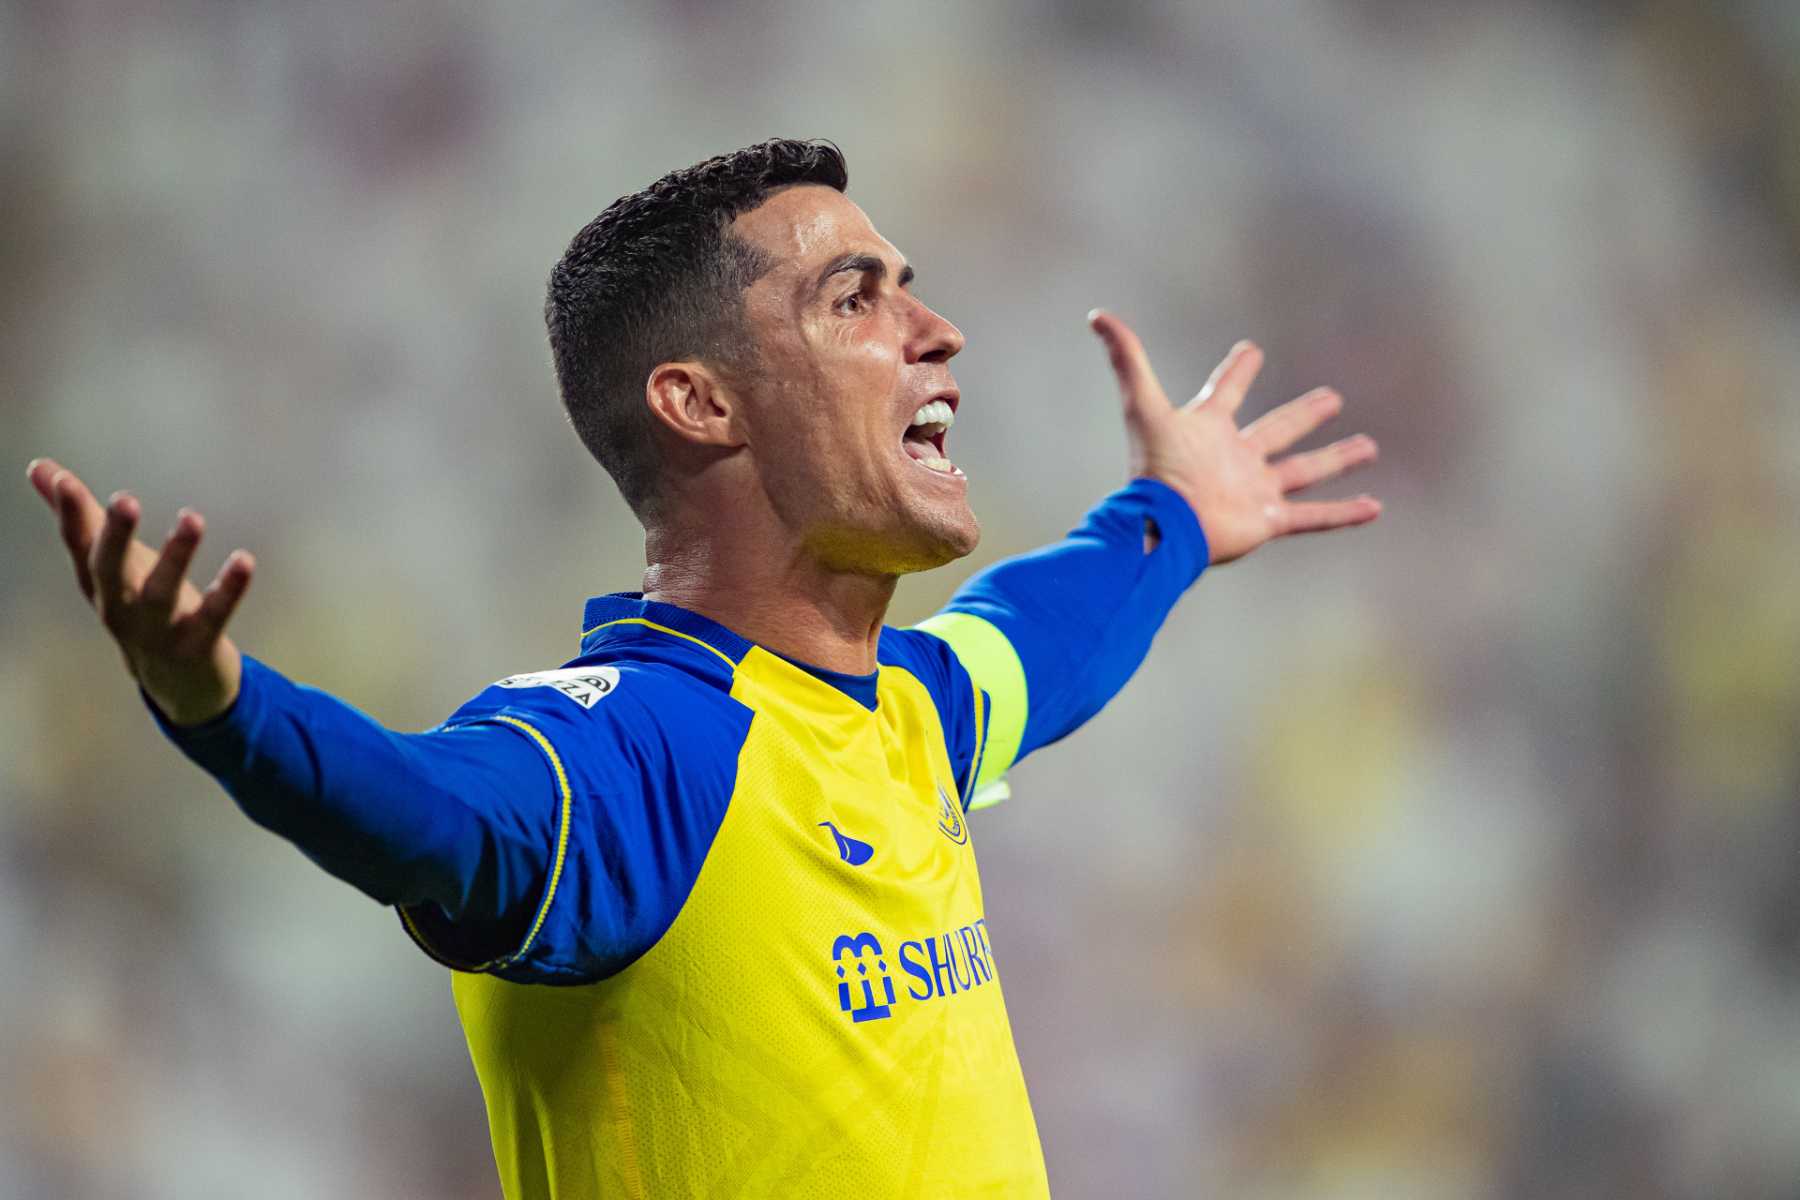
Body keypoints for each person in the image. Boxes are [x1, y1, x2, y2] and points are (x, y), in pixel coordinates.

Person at [25, 138, 1379, 1197]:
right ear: (700, 402)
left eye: (909, 287)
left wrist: (1176, 514)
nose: (936, 331)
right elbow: (430, 816)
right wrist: (226, 711)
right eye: (856, 296)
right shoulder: (634, 756)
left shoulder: (898, 712)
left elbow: (1039, 636)